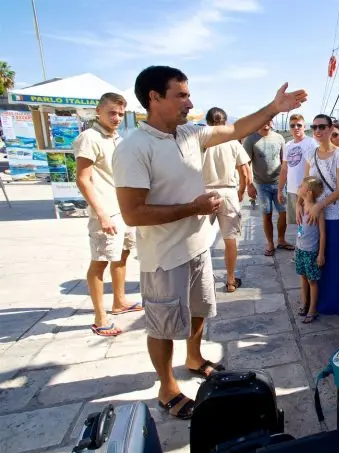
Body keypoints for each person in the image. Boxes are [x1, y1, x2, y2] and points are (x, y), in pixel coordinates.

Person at [114, 65, 306, 420]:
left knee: (200, 310)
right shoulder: (134, 148)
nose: (190, 102)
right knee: (162, 326)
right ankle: (167, 386)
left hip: (197, 246)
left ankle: (195, 357)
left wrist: (273, 108)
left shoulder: (188, 134)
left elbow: (235, 129)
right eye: (181, 95)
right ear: (154, 98)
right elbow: (133, 213)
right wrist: (194, 207)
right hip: (164, 256)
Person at [74, 92, 143, 337]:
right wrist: (101, 213)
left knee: (121, 255)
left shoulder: (116, 138)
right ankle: (99, 316)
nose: (116, 118)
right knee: (100, 261)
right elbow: (83, 180)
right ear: (99, 111)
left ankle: (119, 300)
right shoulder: (89, 138)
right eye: (112, 113)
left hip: (123, 208)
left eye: (120, 114)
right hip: (106, 210)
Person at [302, 114, 339, 316]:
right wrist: (300, 204)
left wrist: (319, 205)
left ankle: (337, 304)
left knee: (336, 261)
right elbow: (305, 185)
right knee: (316, 259)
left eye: (322, 126)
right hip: (313, 216)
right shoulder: (310, 154)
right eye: (314, 127)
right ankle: (316, 303)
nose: (317, 130)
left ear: (331, 129)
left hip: (333, 214)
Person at [202, 107, 252, 292]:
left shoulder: (201, 142)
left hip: (204, 192)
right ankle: (230, 280)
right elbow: (244, 171)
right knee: (230, 240)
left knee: (199, 239)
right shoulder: (232, 142)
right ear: (225, 123)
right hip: (228, 191)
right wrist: (241, 190)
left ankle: (203, 280)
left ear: (207, 123)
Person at [243, 121, 292, 256]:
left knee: (283, 213)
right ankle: (270, 243)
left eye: (268, 121)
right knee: (267, 213)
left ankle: (281, 240)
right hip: (261, 184)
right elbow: (245, 164)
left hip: (278, 183)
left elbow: (284, 161)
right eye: (262, 121)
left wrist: (286, 181)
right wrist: (249, 185)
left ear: (272, 122)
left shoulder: (279, 138)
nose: (265, 124)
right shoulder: (250, 140)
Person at [295, 177, 326, 324]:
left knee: (312, 281)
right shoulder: (301, 207)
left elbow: (322, 233)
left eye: (301, 185)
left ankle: (312, 309)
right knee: (302, 276)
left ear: (308, 192)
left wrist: (320, 254)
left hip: (311, 251)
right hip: (300, 249)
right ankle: (304, 302)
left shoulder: (318, 210)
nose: (298, 186)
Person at [278, 114, 316, 226]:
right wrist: (280, 189)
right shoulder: (288, 145)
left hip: (307, 191)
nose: (296, 128)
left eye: (299, 125)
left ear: (304, 126)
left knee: (309, 224)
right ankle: (300, 243)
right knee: (298, 224)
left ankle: (307, 243)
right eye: (292, 125)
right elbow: (284, 169)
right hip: (291, 190)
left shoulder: (311, 143)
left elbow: (313, 169)